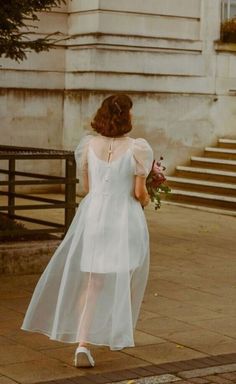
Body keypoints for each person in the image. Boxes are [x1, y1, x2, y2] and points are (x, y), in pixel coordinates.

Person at [21, 94, 154, 368]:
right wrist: (148, 198)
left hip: (94, 217)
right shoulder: (139, 148)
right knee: (123, 274)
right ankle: (112, 330)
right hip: (123, 217)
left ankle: (82, 344)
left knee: (93, 281)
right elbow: (139, 192)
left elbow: (86, 189)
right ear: (125, 116)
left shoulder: (88, 145)